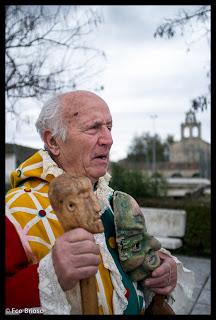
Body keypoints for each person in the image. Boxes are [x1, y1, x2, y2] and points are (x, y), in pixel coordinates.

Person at [5, 90, 194, 315]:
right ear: (53, 141)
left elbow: (139, 261)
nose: (108, 139)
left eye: (109, 127)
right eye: (93, 128)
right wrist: (49, 274)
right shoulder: (15, 210)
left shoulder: (115, 201)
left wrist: (163, 268)